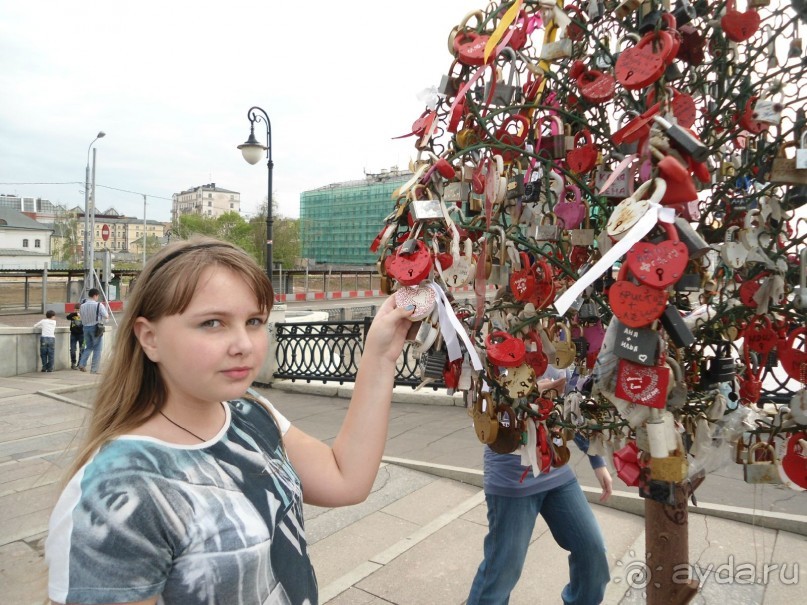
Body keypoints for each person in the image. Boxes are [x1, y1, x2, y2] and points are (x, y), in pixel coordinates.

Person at [45, 238, 415, 605]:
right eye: (212, 323)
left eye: (254, 321)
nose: (244, 344)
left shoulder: (250, 412)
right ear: (149, 337)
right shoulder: (115, 493)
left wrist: (380, 354)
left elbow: (345, 479)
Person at [467, 365, 613, 605]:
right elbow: (483, 409)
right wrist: (528, 394)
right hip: (512, 477)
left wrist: (597, 461)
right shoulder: (497, 340)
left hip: (554, 467)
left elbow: (569, 407)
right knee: (503, 568)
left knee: (592, 550)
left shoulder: (558, 338)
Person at [76, 287, 108, 374]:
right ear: (95, 295)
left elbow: (81, 317)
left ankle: (82, 363)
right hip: (96, 328)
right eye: (97, 296)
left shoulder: (82, 306)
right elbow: (106, 316)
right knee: (97, 349)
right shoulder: (99, 305)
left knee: (88, 347)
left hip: (85, 328)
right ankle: (94, 370)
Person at [66, 303, 85, 370]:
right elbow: (67, 317)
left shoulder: (84, 315)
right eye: (76, 310)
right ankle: (73, 363)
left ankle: (80, 363)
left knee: (82, 349)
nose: (77, 311)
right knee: (73, 350)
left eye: (78, 310)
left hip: (82, 334)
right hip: (73, 334)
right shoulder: (72, 315)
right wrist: (74, 313)